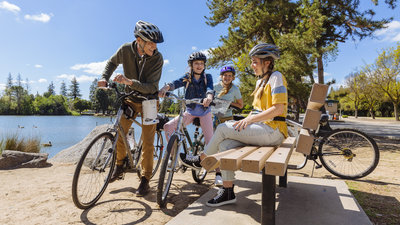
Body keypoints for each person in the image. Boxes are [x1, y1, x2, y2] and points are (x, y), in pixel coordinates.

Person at [180, 43, 288, 207]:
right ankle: (228, 191)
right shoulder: (260, 82)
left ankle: (200, 160)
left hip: (274, 131)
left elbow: (278, 108)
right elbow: (255, 110)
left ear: (267, 62)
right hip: (263, 130)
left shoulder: (276, 77)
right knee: (224, 145)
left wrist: (249, 121)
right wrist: (244, 120)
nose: (252, 65)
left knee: (223, 128)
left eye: (255, 62)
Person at [98, 20, 164, 197]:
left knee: (148, 142)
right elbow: (112, 62)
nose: (154, 46)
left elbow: (152, 87)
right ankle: (119, 166)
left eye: (155, 43)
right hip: (130, 99)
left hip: (149, 102)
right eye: (150, 42)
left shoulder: (157, 58)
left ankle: (145, 180)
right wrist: (104, 77)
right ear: (139, 40)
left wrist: (129, 82)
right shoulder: (126, 49)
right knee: (120, 132)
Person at [158, 51, 214, 158]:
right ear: (191, 65)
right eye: (196, 63)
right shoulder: (187, 77)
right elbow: (176, 83)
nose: (199, 66)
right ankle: (173, 156)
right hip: (190, 112)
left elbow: (210, 88)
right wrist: (166, 88)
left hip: (205, 112)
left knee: (210, 141)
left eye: (202, 63)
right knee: (167, 127)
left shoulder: (208, 77)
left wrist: (209, 98)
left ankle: (218, 172)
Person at [212, 66, 244, 186]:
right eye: (225, 75)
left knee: (224, 147)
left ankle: (223, 174)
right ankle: (218, 173)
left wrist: (230, 103)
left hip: (227, 119)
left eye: (230, 76)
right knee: (214, 145)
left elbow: (241, 105)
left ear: (233, 77)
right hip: (214, 117)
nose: (227, 78)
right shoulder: (215, 87)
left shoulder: (235, 89)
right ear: (221, 76)